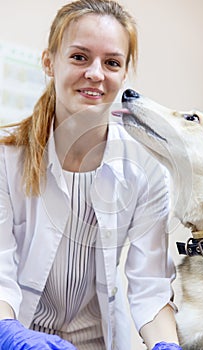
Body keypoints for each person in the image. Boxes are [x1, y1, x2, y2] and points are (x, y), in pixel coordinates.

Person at [0, 1, 182, 349]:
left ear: (124, 73)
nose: (96, 74)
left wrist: (166, 345)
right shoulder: (6, 159)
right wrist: (10, 335)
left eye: (111, 62)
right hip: (20, 335)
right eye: (80, 57)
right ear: (49, 62)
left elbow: (150, 285)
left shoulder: (147, 169)